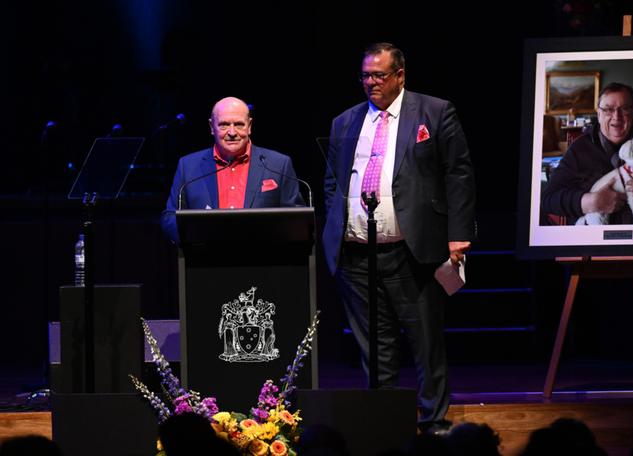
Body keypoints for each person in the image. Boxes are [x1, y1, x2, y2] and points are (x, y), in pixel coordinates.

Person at [322, 43, 476, 435]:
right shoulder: (344, 121)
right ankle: (382, 421)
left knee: (425, 344)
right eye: (366, 76)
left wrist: (458, 234)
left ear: (400, 75)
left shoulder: (435, 111)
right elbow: (333, 180)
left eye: (379, 75)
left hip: (413, 251)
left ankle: (435, 424)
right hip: (356, 254)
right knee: (374, 348)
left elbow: (458, 174)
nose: (371, 83)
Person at [541, 82, 633, 225]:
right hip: (597, 241)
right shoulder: (580, 149)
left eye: (624, 108)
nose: (616, 116)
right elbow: (548, 199)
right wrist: (589, 202)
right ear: (599, 113)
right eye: (608, 109)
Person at [160, 96, 304, 243]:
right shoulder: (188, 166)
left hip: (263, 260)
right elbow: (170, 217)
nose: (232, 132)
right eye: (224, 125)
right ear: (211, 127)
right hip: (205, 259)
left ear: (249, 126)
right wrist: (197, 238)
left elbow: (297, 219)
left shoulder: (278, 164)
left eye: (239, 124)